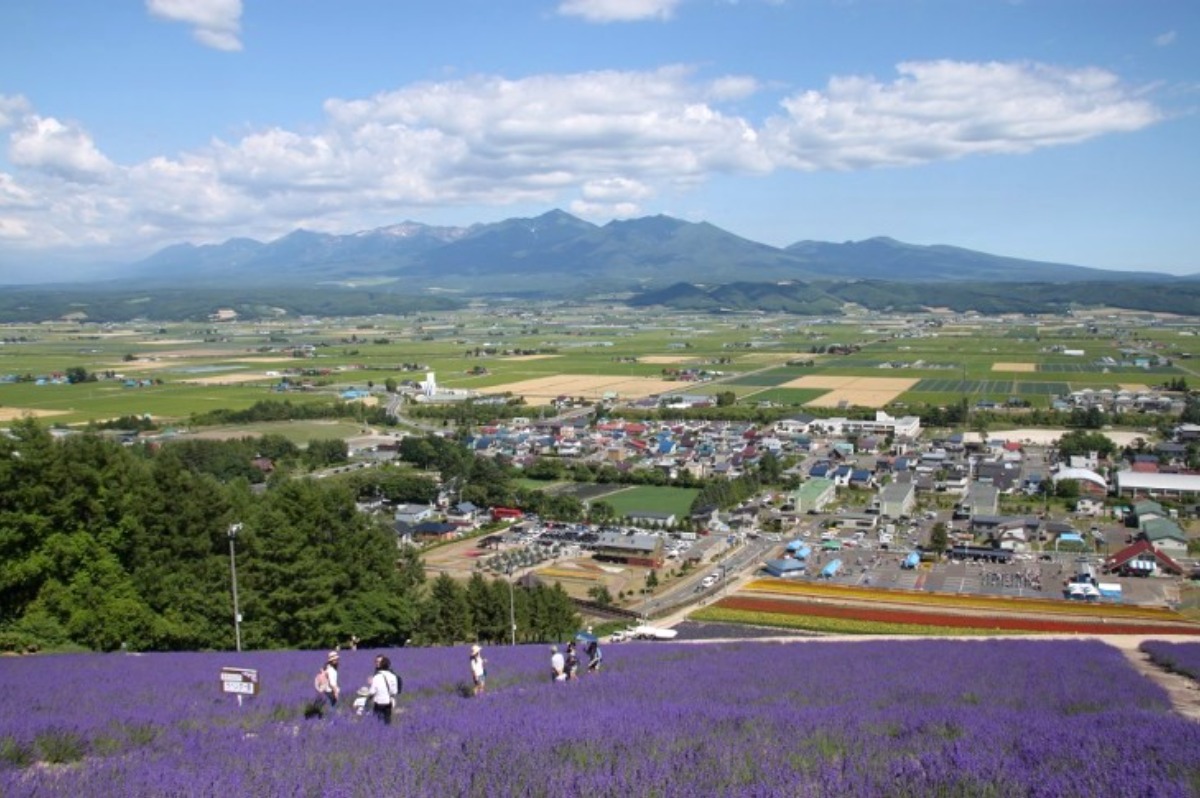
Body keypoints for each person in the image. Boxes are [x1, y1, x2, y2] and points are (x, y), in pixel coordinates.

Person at [368, 654, 400, 724]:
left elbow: (372, 691)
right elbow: (394, 691)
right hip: (388, 702)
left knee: (377, 721)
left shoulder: (377, 677)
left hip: (378, 703)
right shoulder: (393, 676)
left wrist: (370, 685)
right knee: (387, 721)